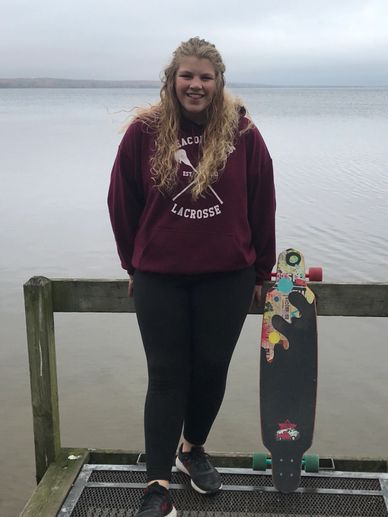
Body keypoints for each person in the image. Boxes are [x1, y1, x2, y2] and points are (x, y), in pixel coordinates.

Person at [108, 36, 276, 517]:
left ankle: (192, 450)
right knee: (165, 376)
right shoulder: (145, 132)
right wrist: (133, 263)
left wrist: (262, 271)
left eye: (205, 77)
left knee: (210, 371)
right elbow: (122, 202)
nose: (196, 85)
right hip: (160, 276)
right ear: (172, 79)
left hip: (228, 277)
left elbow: (262, 203)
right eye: (187, 75)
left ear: (219, 83)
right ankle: (156, 486)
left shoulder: (243, 135)